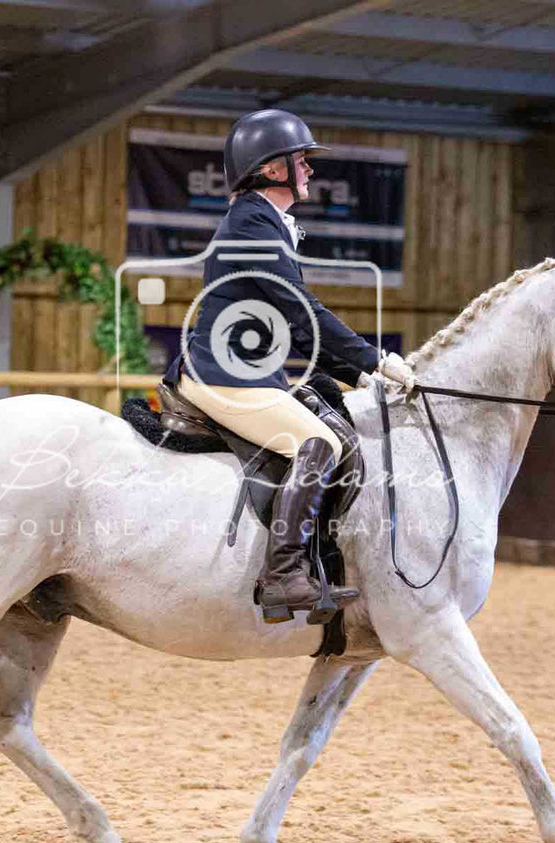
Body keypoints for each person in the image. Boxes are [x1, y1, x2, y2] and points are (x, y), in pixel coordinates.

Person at [162, 108, 416, 624]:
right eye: (301, 160)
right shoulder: (254, 223)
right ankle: (281, 575)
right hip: (223, 374)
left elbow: (295, 323)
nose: (310, 170)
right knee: (317, 444)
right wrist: (376, 360)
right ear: (273, 169)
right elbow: (304, 311)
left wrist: (364, 376)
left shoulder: (261, 221)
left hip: (249, 371)